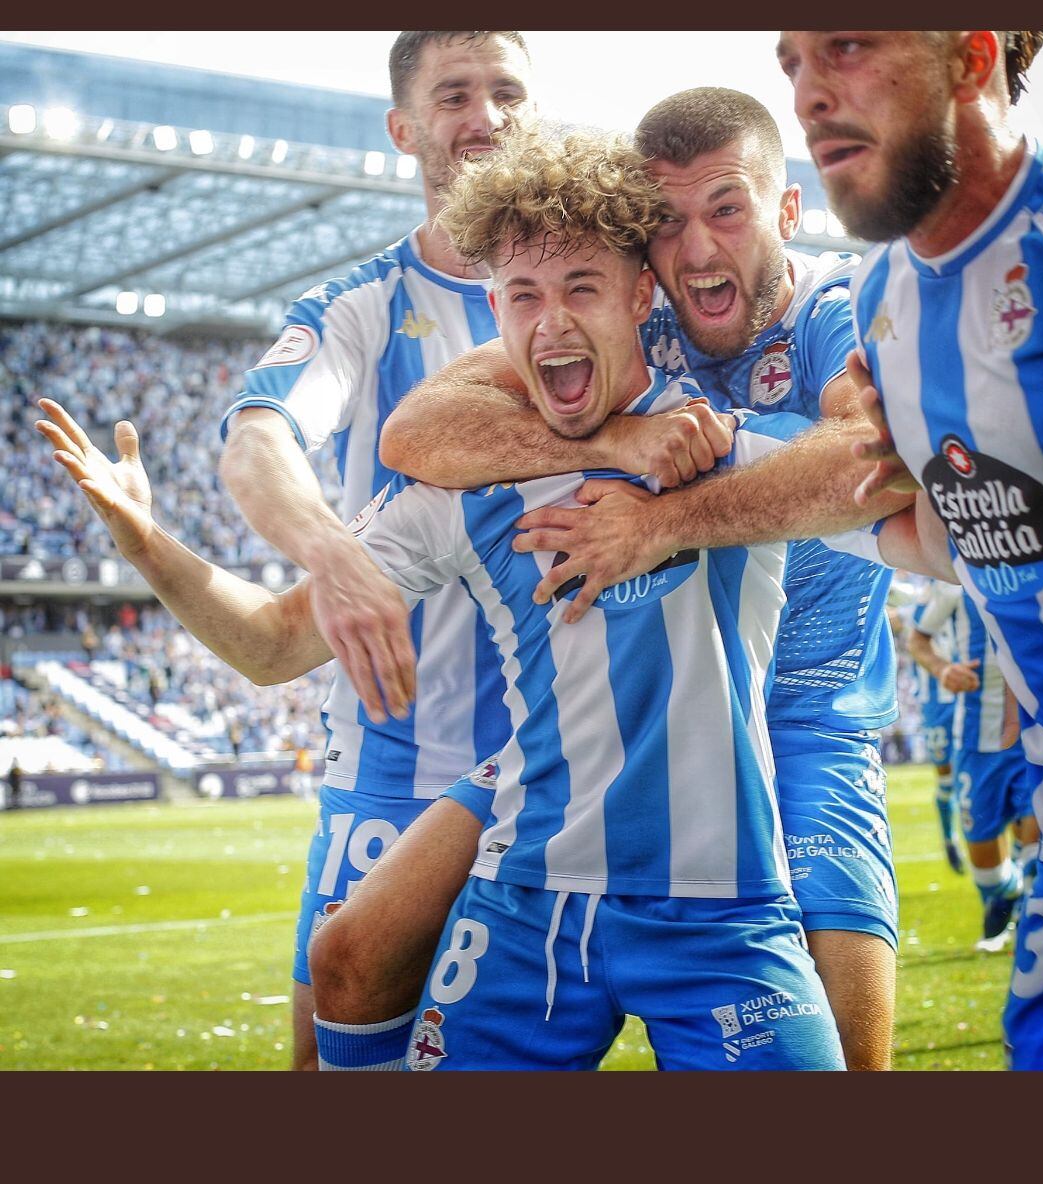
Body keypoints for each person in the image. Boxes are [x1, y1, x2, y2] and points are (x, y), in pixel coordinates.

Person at [33, 124, 951, 1068]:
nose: (550, 323)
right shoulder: (467, 490)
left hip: (718, 909)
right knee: (345, 957)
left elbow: (915, 522)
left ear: (641, 296)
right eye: (523, 297)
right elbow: (272, 645)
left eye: (581, 289)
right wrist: (145, 541)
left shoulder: (732, 450)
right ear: (496, 312)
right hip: (529, 904)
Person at [378, 89, 912, 1069]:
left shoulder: (835, 311)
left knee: (843, 1035)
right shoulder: (626, 313)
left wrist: (661, 520)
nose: (696, 247)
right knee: (361, 944)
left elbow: (863, 460)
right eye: (667, 219)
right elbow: (413, 431)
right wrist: (625, 434)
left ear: (788, 210)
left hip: (805, 721)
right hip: (635, 722)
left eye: (727, 208)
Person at [777, 29, 1043, 1069]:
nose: (811, 95)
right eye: (792, 65)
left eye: (846, 48)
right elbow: (964, 541)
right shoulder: (882, 302)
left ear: (972, 54)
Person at [215, 30, 534, 1070]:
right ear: (404, 129)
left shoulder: (591, 290)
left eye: (505, 91)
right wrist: (333, 553)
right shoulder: (361, 310)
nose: (484, 115)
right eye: (453, 95)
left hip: (555, 759)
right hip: (392, 766)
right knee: (330, 1063)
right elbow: (257, 439)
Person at [910, 581, 1039, 950]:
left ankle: (1037, 939)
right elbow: (918, 641)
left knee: (1039, 853)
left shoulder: (1040, 568)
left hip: (1036, 739)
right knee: (989, 874)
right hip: (975, 744)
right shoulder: (955, 581)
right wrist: (944, 670)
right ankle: (1009, 891)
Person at [910, 580, 964, 874]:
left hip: (966, 694)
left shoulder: (960, 585)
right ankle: (949, 838)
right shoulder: (919, 596)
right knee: (945, 778)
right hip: (935, 703)